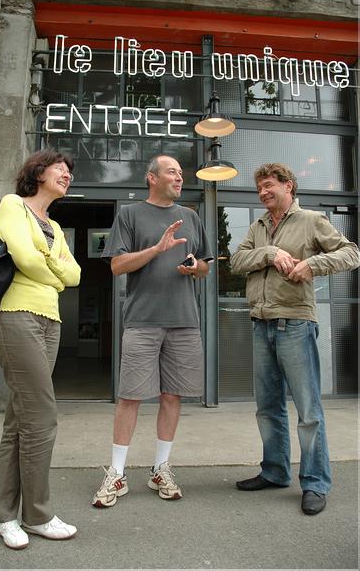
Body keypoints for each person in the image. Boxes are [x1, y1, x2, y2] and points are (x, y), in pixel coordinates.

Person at [231, 163, 359, 515]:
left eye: (269, 186)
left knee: (308, 411)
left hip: (296, 325)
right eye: (259, 188)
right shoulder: (258, 227)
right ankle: (274, 471)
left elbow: (351, 252)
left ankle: (316, 483)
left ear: (289, 186)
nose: (262, 193)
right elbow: (237, 261)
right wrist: (270, 253)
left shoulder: (312, 220)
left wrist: (313, 265)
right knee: (267, 407)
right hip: (261, 323)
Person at [92, 154, 213, 507]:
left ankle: (161, 467)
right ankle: (116, 473)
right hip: (142, 321)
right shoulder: (130, 215)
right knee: (130, 396)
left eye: (180, 172)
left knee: (172, 396)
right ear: (151, 178)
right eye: (172, 172)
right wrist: (156, 249)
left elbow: (206, 265)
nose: (179, 177)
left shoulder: (190, 216)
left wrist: (195, 267)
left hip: (184, 320)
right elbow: (116, 265)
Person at [0, 149, 81, 549]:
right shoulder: (13, 206)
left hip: (50, 321)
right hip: (15, 316)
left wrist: (52, 269)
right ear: (37, 172)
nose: (67, 174)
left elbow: (75, 274)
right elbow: (24, 258)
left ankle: (3, 517)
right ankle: (38, 514)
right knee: (41, 416)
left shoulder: (55, 227)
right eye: (60, 167)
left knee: (18, 422)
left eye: (70, 171)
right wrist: (52, 269)